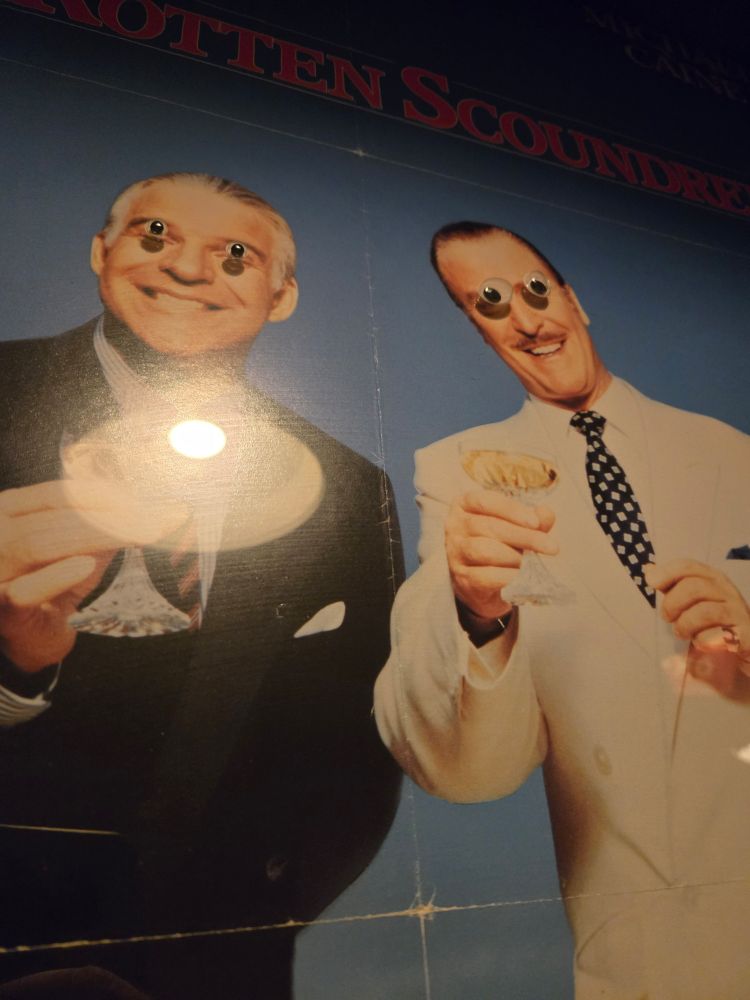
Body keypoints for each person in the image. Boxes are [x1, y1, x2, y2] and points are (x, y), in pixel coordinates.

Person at [0, 173, 403, 999]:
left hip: (214, 960)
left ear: (281, 296)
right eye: (155, 236)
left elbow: (358, 751)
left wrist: (261, 916)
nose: (187, 269)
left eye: (235, 254)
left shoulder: (349, 486)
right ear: (99, 254)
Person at [375, 222, 750, 1000]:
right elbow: (468, 770)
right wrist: (474, 612)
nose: (525, 317)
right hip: (643, 944)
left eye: (535, 290)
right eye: (489, 303)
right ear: (478, 330)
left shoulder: (730, 451)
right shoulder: (458, 472)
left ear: (574, 300)